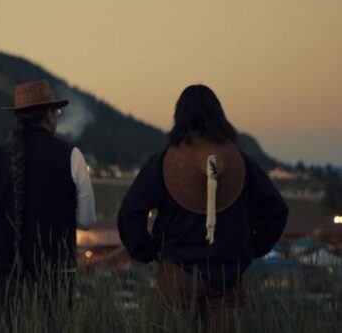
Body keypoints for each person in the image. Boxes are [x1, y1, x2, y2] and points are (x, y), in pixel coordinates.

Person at [117, 84, 288, 332]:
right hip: (228, 275)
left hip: (178, 273)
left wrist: (149, 251)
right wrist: (249, 251)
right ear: (218, 115)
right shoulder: (239, 162)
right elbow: (276, 210)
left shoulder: (165, 160)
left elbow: (130, 211)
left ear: (179, 117)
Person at [0, 80, 96, 321]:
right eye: (55, 112)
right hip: (57, 273)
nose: (56, 118)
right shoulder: (72, 155)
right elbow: (87, 220)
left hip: (7, 273)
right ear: (48, 116)